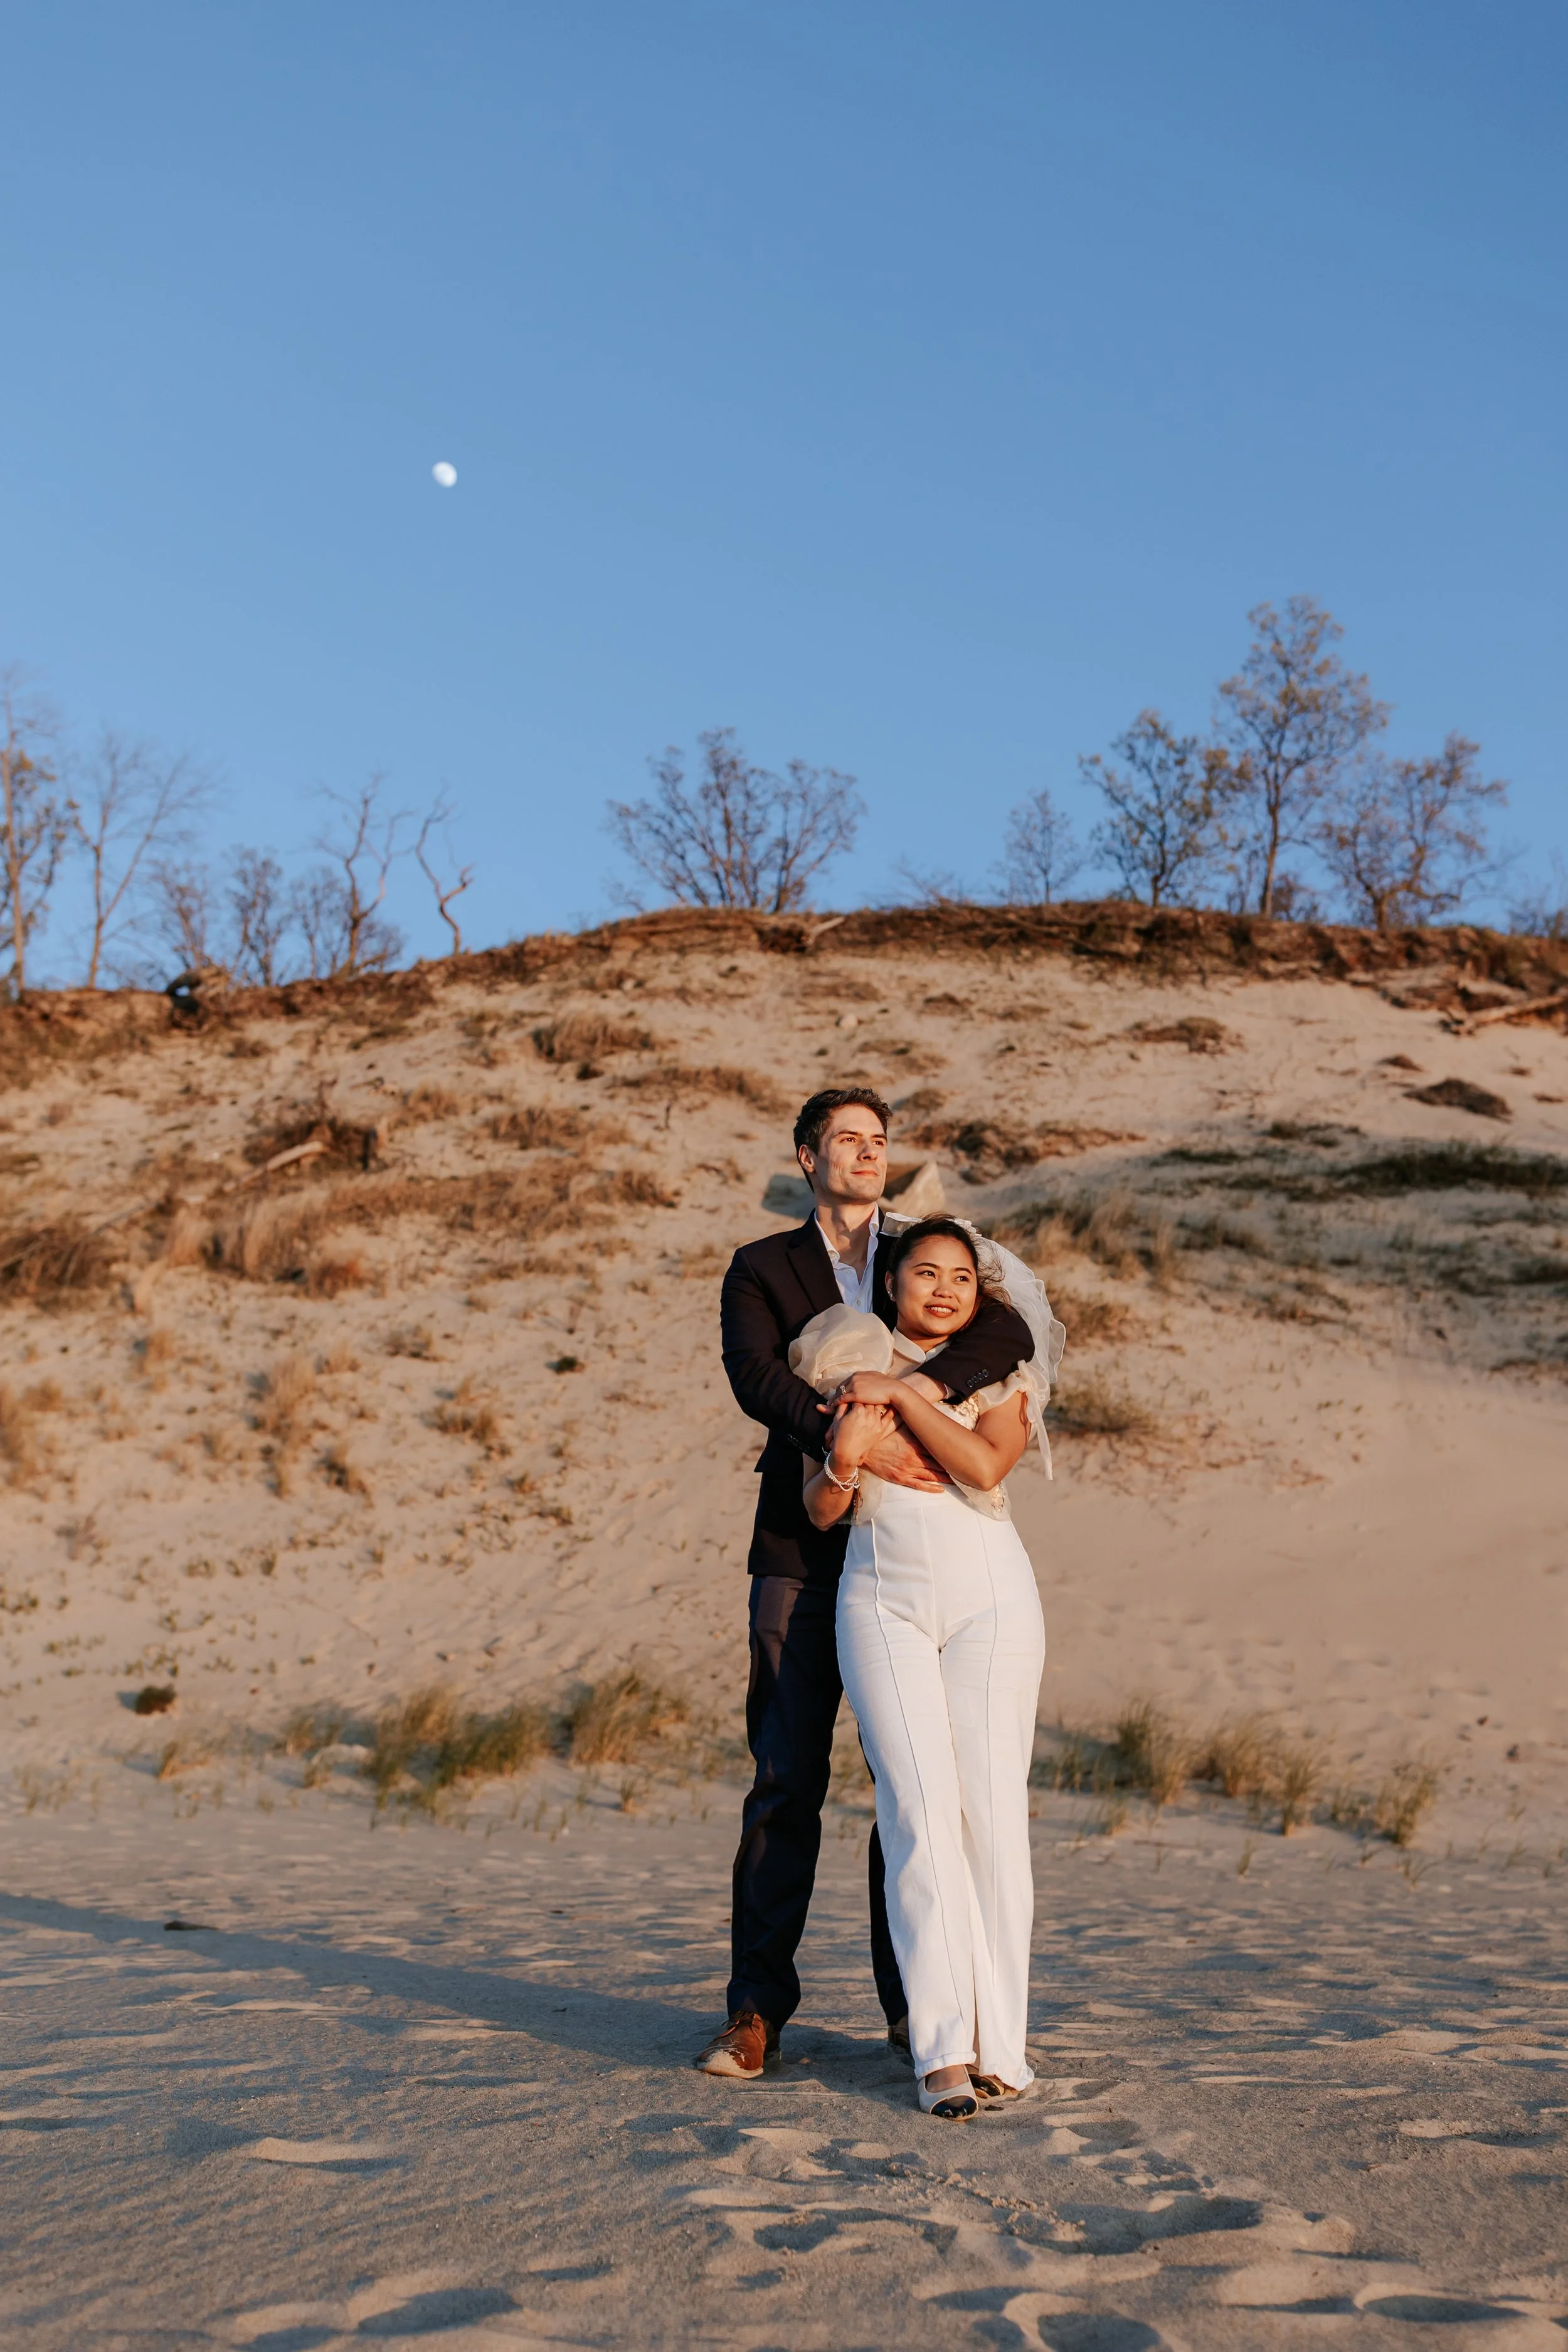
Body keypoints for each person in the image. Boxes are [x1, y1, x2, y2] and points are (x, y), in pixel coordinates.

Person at [698, 1088, 1038, 2081]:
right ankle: (754, 2012)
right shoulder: (762, 1266)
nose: (867, 1153)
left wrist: (912, 1393)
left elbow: (1004, 1332)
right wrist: (852, 1442)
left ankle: (913, 2009)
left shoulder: (925, 1249)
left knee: (917, 1780)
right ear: (807, 1157)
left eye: (879, 1140)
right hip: (805, 1544)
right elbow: (755, 1379)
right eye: (847, 1139)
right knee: (786, 1779)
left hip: (928, 1548)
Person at [801, 1217, 1054, 2119]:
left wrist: (901, 1400)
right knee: (914, 1811)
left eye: (959, 1275)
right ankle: (941, 2049)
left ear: (978, 1291)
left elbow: (986, 1464)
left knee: (990, 1813)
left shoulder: (999, 1368)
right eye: (923, 1273)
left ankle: (1001, 2047)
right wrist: (840, 1455)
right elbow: (823, 1506)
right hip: (881, 1599)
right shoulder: (845, 1354)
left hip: (993, 1600)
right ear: (893, 1281)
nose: (942, 1289)